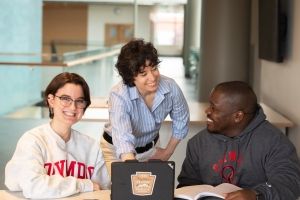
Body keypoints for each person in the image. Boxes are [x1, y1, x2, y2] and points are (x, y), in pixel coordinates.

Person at [177, 81, 300, 200]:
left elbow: (289, 182)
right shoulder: (198, 142)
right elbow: (187, 185)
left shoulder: (274, 142)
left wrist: (256, 195)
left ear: (238, 116)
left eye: (214, 108)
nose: (207, 111)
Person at [5, 72, 110, 199]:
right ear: (51, 100)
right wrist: (82, 185)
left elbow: (101, 191)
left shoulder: (92, 148)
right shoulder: (32, 141)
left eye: (80, 101)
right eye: (65, 99)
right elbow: (35, 187)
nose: (73, 107)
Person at [101, 39, 190, 174]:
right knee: (124, 191)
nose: (152, 77)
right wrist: (132, 171)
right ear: (131, 77)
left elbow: (181, 120)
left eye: (154, 68)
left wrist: (167, 152)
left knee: (154, 192)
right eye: (143, 74)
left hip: (151, 150)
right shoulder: (119, 95)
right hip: (117, 152)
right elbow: (123, 139)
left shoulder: (170, 87)